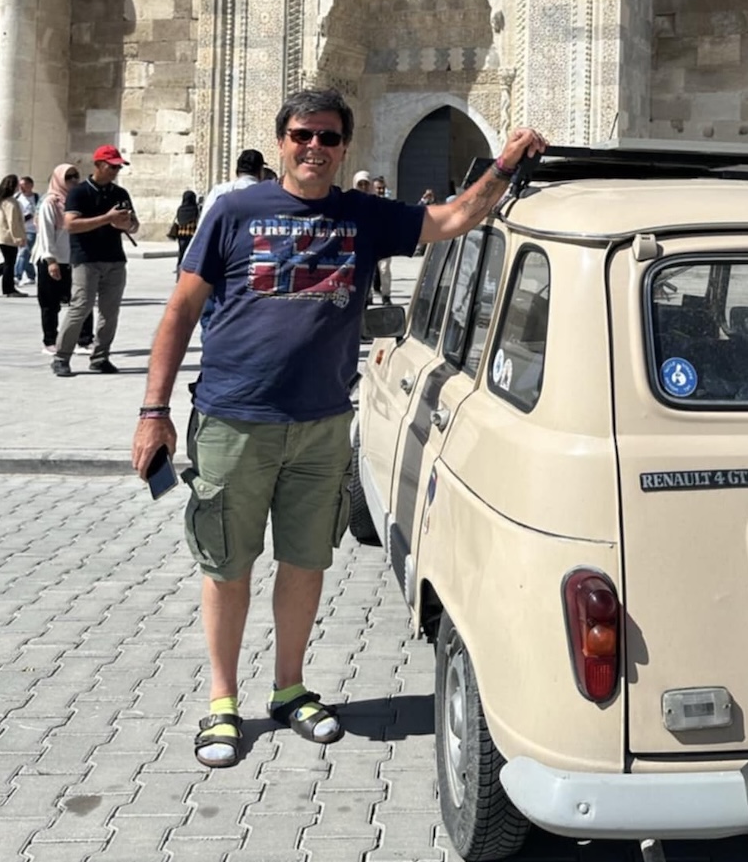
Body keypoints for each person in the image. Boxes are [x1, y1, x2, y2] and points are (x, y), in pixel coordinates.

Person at [130, 86, 545, 768]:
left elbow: (454, 218)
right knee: (229, 564)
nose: (313, 148)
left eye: (327, 137)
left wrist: (503, 166)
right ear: (282, 141)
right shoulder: (233, 212)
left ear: (345, 145)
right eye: (301, 135)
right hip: (234, 420)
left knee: (305, 561)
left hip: (322, 425)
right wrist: (154, 412)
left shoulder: (364, 216)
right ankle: (222, 702)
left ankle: (289, 688)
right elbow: (178, 313)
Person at [51, 144, 140, 377]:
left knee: (110, 312)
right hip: (86, 259)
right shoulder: (79, 193)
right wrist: (106, 218)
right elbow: (70, 224)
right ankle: (61, 357)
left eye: (118, 168)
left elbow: (134, 224)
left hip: (114, 260)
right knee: (80, 308)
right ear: (99, 164)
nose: (115, 172)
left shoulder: (119, 194)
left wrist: (126, 224)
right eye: (112, 167)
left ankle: (100, 357)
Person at [195, 150, 267, 335]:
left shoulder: (220, 192)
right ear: (260, 171)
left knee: (211, 316)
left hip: (218, 262)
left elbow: (204, 229)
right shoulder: (268, 195)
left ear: (237, 170)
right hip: (253, 266)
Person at [33, 165, 94, 355]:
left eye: (76, 176)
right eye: (69, 177)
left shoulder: (76, 202)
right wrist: (51, 261)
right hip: (52, 260)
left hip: (74, 259)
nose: (74, 180)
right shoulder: (50, 203)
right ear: (59, 179)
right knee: (50, 304)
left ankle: (84, 340)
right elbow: (45, 234)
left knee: (83, 301)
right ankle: (50, 340)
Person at [12, 176, 39, 286]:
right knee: (26, 254)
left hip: (32, 230)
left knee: (24, 252)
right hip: (20, 229)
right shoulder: (17, 197)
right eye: (20, 186)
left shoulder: (37, 198)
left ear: (31, 186)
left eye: (24, 185)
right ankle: (31, 276)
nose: (22, 188)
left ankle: (17, 276)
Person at [371, 176, 393, 303]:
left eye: (382, 188)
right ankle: (368, 297)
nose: (380, 191)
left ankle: (386, 296)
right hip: (369, 242)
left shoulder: (388, 204)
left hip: (384, 243)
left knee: (384, 270)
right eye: (378, 188)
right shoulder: (367, 203)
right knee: (368, 271)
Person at [169, 190, 200, 278]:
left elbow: (178, 221)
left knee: (181, 253)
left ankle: (179, 272)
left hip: (181, 236)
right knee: (190, 254)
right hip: (191, 235)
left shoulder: (180, 209)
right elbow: (198, 220)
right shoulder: (195, 209)